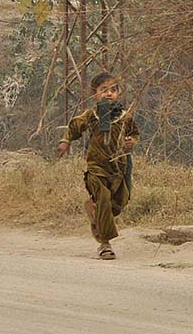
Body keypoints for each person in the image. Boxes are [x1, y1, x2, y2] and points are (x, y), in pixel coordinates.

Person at [58, 72, 139, 260]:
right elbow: (74, 127)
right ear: (95, 94)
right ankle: (105, 244)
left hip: (119, 168)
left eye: (113, 90)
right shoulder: (92, 115)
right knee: (103, 198)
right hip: (97, 167)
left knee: (119, 204)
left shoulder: (125, 117)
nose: (109, 94)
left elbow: (135, 133)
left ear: (119, 93)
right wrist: (66, 141)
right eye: (104, 90)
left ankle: (93, 211)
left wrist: (131, 142)